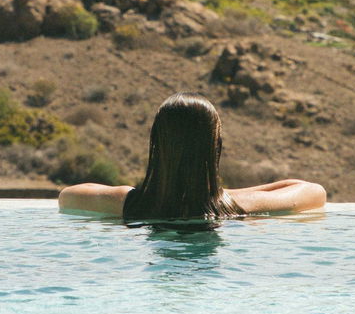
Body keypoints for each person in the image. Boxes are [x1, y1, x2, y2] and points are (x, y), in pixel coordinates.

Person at [58, 92, 326, 220]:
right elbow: (313, 191)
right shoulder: (237, 205)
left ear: (157, 144)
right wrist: (220, 195)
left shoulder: (130, 204)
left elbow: (68, 195)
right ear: (214, 145)